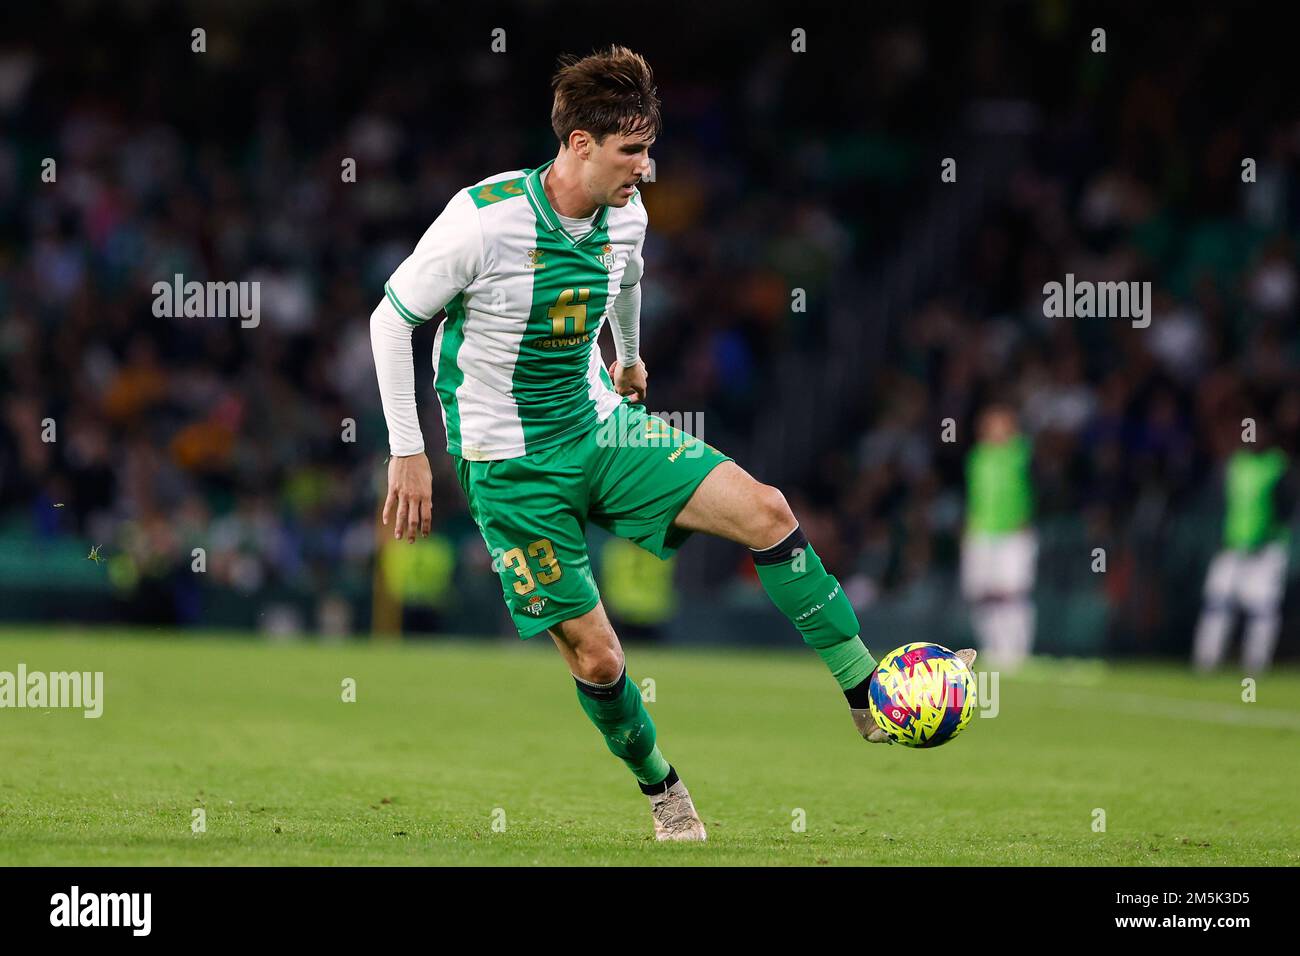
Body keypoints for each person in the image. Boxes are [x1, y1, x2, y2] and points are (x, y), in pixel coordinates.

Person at [370, 45, 973, 841]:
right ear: (579, 144)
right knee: (599, 661)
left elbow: (627, 281)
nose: (645, 168)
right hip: (510, 465)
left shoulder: (629, 212)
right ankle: (664, 791)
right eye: (631, 151)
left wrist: (627, 354)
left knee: (767, 510)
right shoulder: (482, 223)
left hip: (600, 427)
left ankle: (865, 695)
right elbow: (392, 320)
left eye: (649, 148)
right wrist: (408, 450)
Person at [1193, 426, 1292, 673]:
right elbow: (1218, 505)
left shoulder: (1277, 466)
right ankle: (1206, 662)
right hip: (1232, 546)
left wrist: (1271, 539)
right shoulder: (1234, 466)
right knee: (1216, 605)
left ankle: (1255, 665)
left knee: (1262, 610)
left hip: (1265, 550)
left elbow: (1286, 507)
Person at [962, 405, 1036, 669]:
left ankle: (1017, 651)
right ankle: (992, 648)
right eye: (989, 424)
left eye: (1000, 424)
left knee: (1012, 593)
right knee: (983, 593)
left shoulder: (1019, 453)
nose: (995, 430)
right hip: (981, 532)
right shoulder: (977, 458)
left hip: (1014, 533)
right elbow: (975, 497)